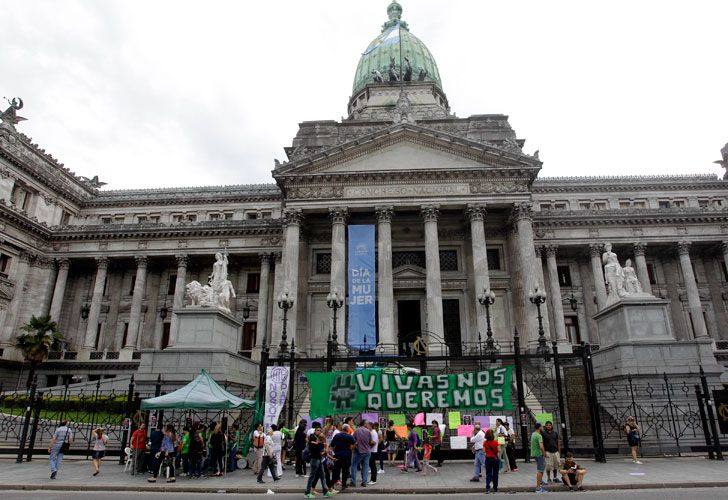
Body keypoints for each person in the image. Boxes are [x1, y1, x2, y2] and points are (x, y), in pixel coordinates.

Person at [305, 430, 334, 498]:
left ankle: (325, 491)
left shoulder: (316, 442)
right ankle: (307, 492)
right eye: (317, 430)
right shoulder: (313, 442)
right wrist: (323, 445)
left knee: (322, 475)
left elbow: (321, 449)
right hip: (315, 460)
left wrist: (320, 444)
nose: (319, 432)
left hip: (319, 460)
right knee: (312, 476)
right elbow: (320, 449)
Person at [330, 423, 356, 490]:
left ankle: (332, 484)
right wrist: (351, 448)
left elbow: (332, 446)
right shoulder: (349, 436)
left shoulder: (337, 436)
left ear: (342, 428)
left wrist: (333, 453)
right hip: (346, 456)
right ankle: (344, 485)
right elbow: (355, 444)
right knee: (345, 471)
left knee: (336, 471)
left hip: (337, 456)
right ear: (347, 429)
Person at [350, 420, 373, 487]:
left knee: (354, 465)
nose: (367, 425)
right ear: (364, 424)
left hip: (359, 451)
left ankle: (353, 482)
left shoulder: (356, 431)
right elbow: (371, 442)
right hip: (367, 451)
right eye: (367, 423)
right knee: (365, 467)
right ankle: (364, 482)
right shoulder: (368, 431)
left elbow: (353, 441)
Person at [531, 423, 546, 493]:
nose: (543, 428)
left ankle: (540, 481)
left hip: (534, 453)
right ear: (539, 427)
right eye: (542, 427)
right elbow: (541, 446)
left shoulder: (533, 434)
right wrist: (544, 454)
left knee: (541, 469)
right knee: (540, 470)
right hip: (539, 454)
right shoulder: (539, 435)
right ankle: (538, 487)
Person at [483, 428, 500, 493]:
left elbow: (484, 451)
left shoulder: (485, 442)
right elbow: (499, 450)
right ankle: (495, 488)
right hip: (495, 459)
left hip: (488, 459)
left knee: (488, 474)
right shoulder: (496, 442)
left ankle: (487, 488)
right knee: (495, 474)